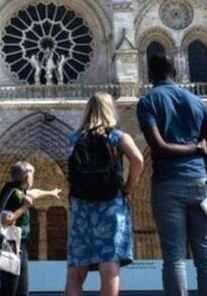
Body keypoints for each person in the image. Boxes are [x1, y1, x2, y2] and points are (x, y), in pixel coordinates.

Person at [136, 53, 207, 296]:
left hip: (167, 184)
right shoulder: (197, 102)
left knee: (174, 257)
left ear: (150, 74)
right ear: (175, 72)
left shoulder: (148, 102)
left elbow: (159, 146)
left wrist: (193, 148)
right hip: (200, 182)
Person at [65, 92, 144, 296]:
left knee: (75, 273)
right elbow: (138, 159)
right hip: (111, 205)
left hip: (82, 207)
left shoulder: (74, 138)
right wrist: (128, 187)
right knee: (109, 271)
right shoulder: (116, 136)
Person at [0, 162, 62, 296]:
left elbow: (34, 193)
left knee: (22, 290)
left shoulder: (19, 190)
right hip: (9, 245)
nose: (33, 178)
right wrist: (24, 207)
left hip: (21, 246)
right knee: (9, 290)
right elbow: (6, 221)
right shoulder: (13, 194)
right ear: (26, 176)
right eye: (32, 175)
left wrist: (51, 192)